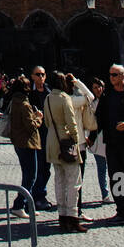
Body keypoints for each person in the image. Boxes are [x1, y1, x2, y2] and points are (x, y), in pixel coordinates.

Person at [94, 63, 124, 223]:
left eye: (114, 75)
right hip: (112, 143)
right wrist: (92, 137)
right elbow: (99, 119)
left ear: (123, 76)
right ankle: (122, 210)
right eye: (110, 75)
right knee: (116, 177)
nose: (111, 78)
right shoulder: (107, 95)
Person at [45, 71, 88, 232]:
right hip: (66, 142)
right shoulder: (65, 99)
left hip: (52, 142)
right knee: (73, 182)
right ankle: (72, 216)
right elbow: (71, 123)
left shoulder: (48, 98)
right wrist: (76, 140)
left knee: (59, 181)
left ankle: (62, 215)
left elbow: (47, 121)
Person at [9, 76, 43, 217]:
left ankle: (27, 205)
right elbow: (31, 126)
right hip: (27, 142)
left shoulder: (14, 102)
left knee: (27, 174)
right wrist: (38, 117)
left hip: (18, 141)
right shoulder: (24, 104)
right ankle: (19, 204)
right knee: (31, 176)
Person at [65, 73, 97, 221]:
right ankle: (76, 210)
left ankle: (69, 210)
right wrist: (77, 81)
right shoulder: (74, 100)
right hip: (78, 143)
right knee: (77, 180)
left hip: (67, 142)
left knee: (67, 180)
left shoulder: (63, 100)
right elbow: (90, 96)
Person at [28, 66, 55, 211]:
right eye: (37, 74)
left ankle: (38, 195)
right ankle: (37, 196)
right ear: (32, 76)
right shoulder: (29, 93)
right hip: (35, 136)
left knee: (46, 168)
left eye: (43, 74)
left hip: (48, 134)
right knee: (37, 168)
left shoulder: (49, 92)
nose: (40, 77)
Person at [85, 78, 110, 203]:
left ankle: (119, 194)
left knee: (114, 169)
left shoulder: (109, 100)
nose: (98, 89)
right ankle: (104, 194)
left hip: (109, 139)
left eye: (99, 86)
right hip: (97, 140)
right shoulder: (91, 103)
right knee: (101, 169)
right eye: (95, 87)